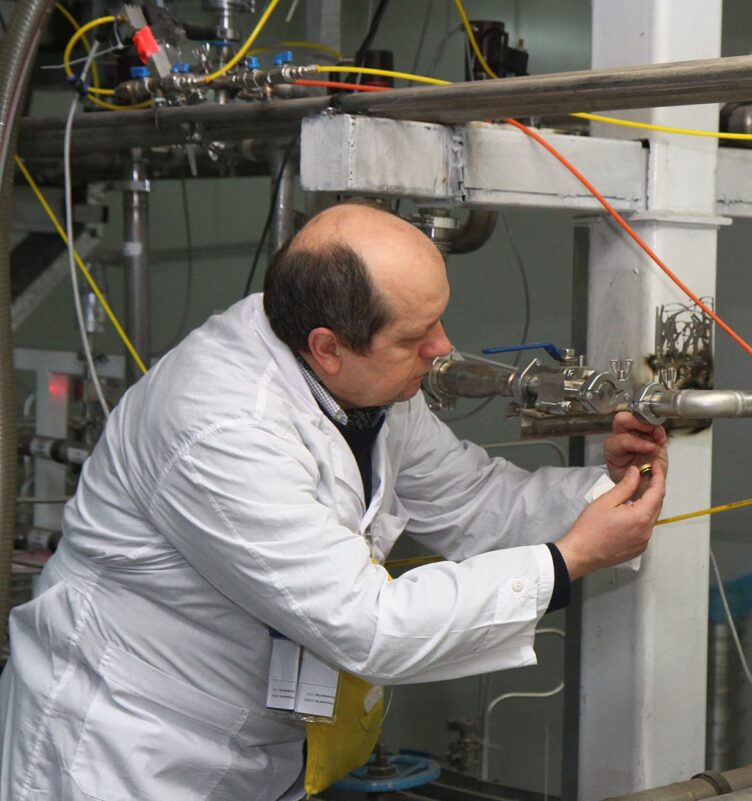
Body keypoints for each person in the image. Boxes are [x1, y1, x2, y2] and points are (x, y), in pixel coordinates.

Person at [0, 202, 667, 801]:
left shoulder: (366, 385)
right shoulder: (223, 425)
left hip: (256, 745)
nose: (441, 351)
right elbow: (367, 625)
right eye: (416, 337)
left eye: (438, 322)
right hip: (127, 750)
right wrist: (568, 559)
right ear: (329, 347)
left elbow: (473, 500)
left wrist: (605, 491)